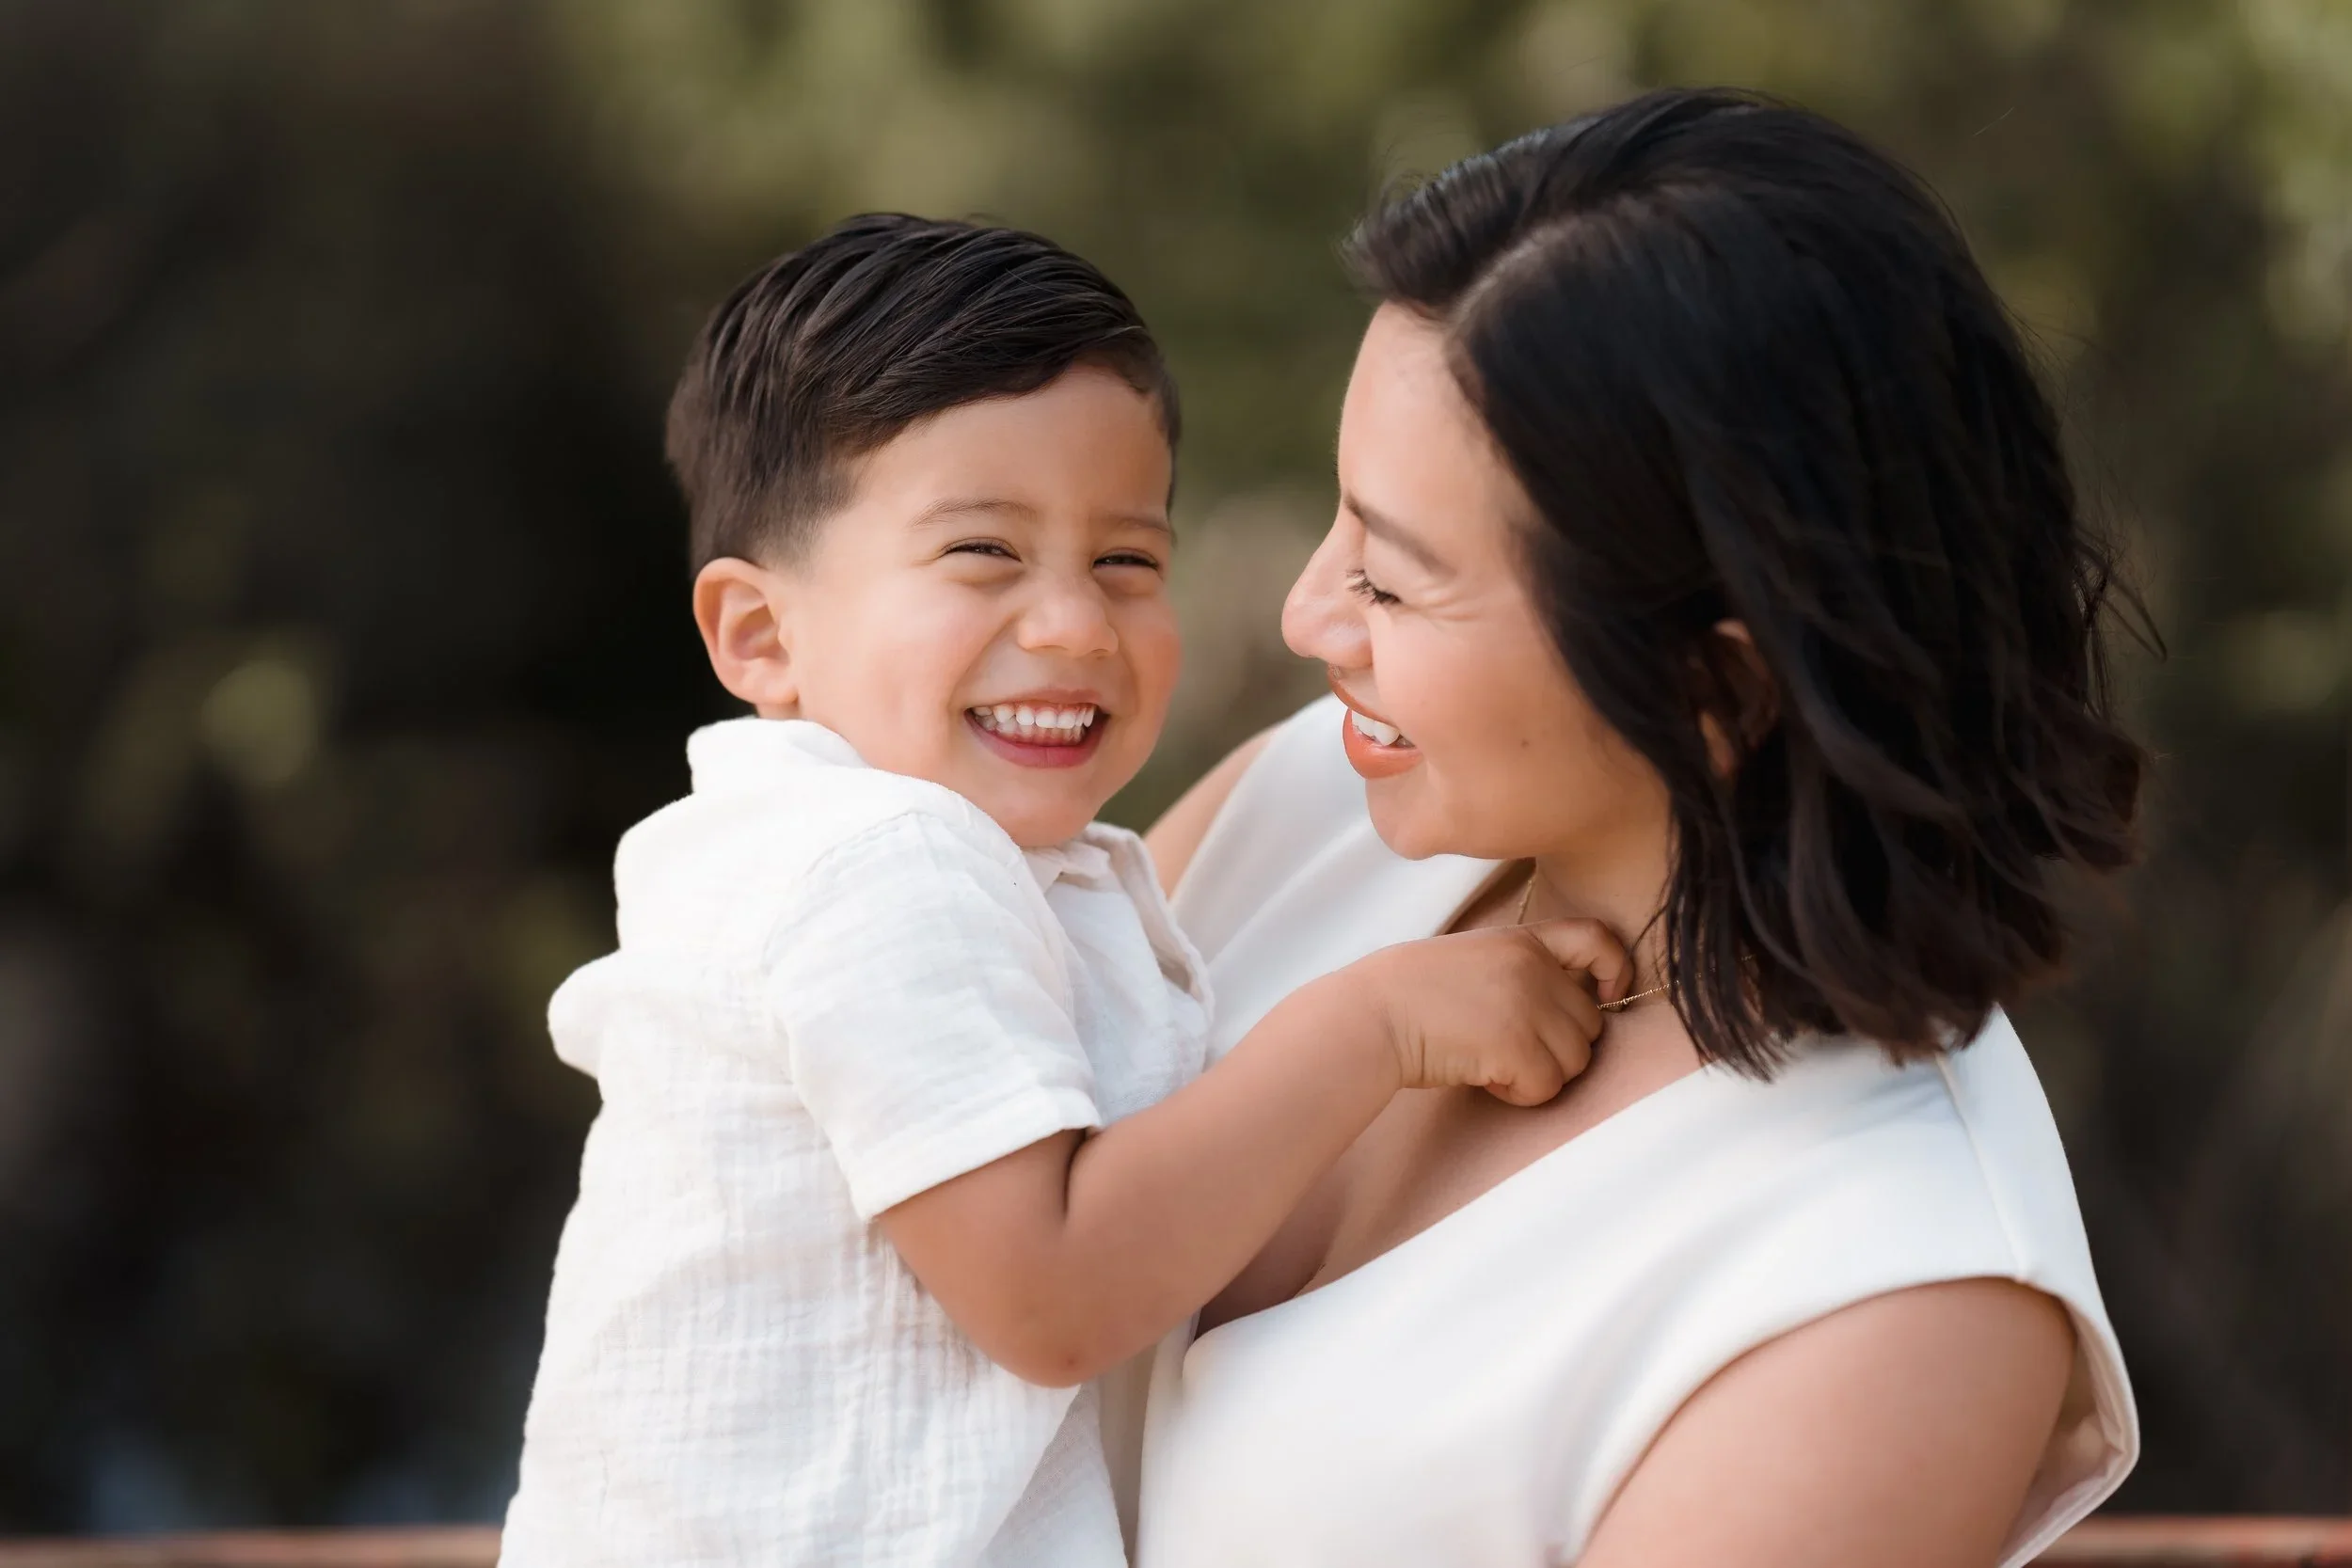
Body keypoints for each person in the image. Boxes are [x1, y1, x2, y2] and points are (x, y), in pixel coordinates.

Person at [497, 214, 1627, 1568]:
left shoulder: (905, 853)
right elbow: (1053, 1290)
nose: (1077, 624)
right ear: (761, 633)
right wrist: (1379, 1026)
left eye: (1127, 561)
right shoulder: (879, 866)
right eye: (984, 552)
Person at [1136, 89, 2144, 1568]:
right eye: (1342, 524)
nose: (1307, 614)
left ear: (1714, 680)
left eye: (1395, 582)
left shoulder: (1886, 1281)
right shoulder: (1301, 812)